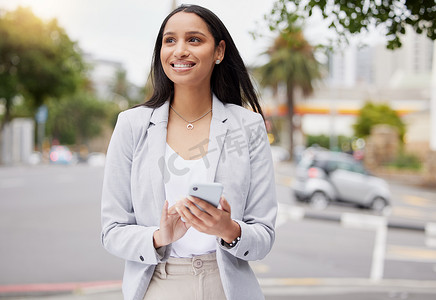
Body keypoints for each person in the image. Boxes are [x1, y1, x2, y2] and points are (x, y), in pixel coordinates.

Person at [101, 4, 277, 300]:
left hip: (227, 286)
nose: (179, 50)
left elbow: (264, 234)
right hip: (157, 284)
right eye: (170, 40)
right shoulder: (132, 125)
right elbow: (112, 231)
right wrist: (159, 237)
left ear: (219, 51)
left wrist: (229, 229)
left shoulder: (248, 126)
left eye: (194, 40)